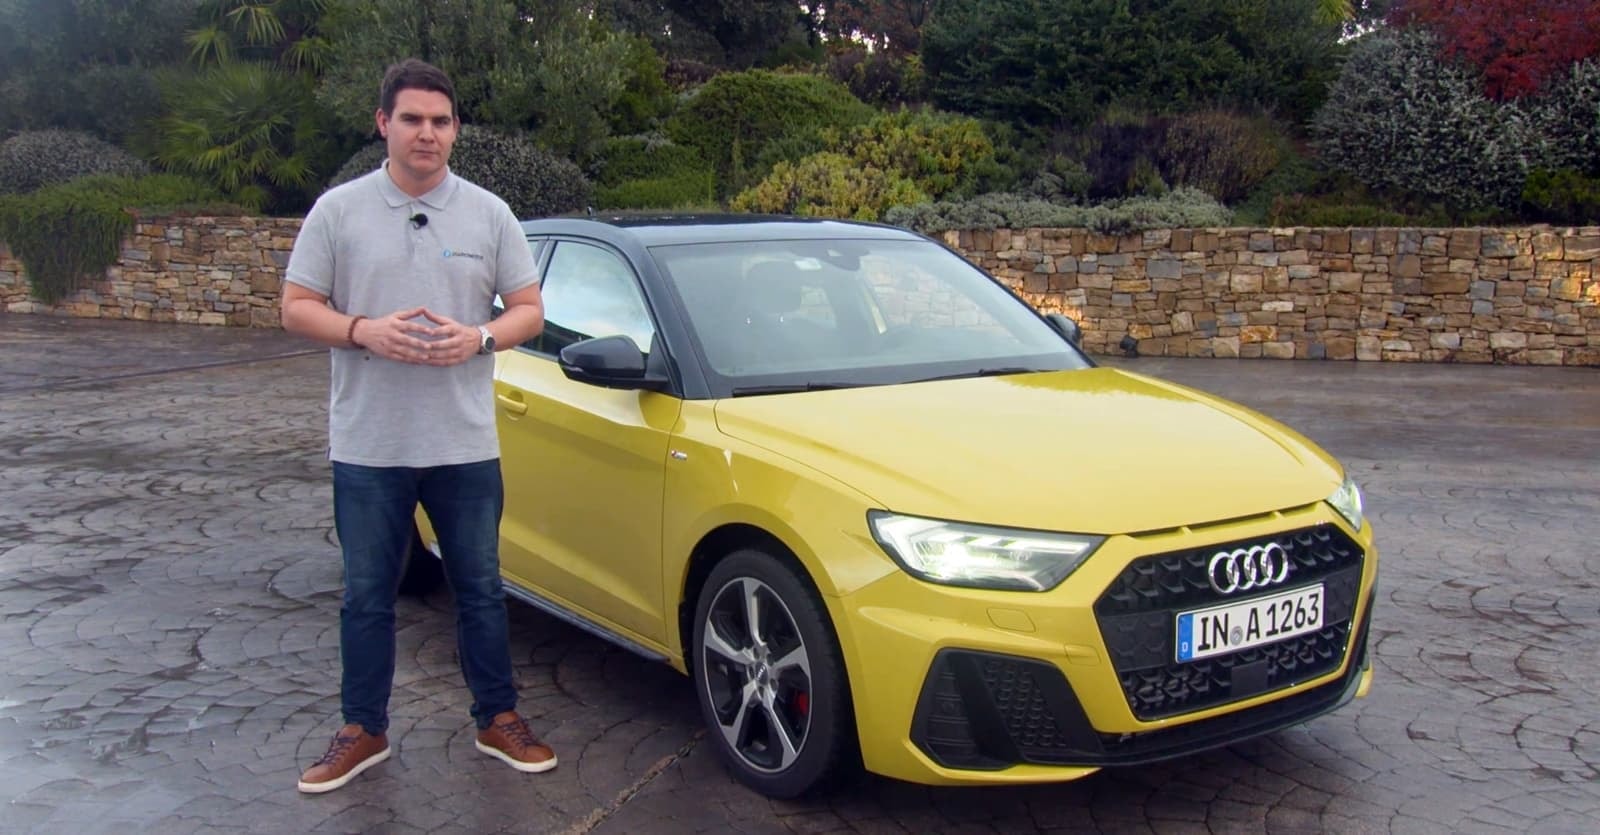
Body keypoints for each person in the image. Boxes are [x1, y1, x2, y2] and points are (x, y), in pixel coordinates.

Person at [280, 58, 553, 794]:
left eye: (440, 121)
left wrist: (482, 338)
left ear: (455, 129)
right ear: (383, 124)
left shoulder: (490, 214)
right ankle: (362, 728)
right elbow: (296, 305)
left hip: (463, 444)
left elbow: (528, 307)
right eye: (412, 119)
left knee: (481, 589)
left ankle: (498, 717)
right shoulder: (338, 211)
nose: (426, 133)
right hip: (370, 444)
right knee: (367, 594)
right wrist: (363, 329)